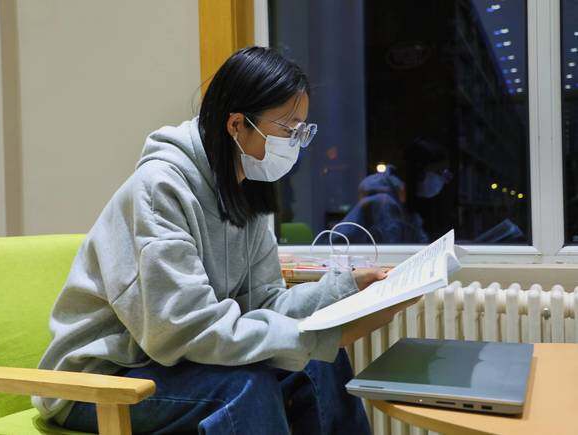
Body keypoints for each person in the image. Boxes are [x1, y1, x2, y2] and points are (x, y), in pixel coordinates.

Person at [32, 46, 413, 434]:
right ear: (236, 125)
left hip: (171, 365)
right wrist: (317, 337)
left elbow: (264, 302)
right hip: (99, 380)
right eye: (288, 129)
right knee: (247, 387)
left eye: (302, 131)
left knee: (320, 363)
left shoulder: (246, 191)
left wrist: (345, 290)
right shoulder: (159, 189)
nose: (296, 144)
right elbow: (182, 329)